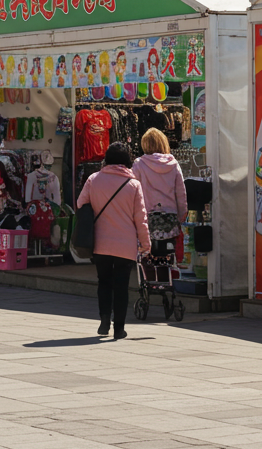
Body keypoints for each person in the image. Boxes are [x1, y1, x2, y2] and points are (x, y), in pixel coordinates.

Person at [76, 143, 150, 340]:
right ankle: (119, 328)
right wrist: (145, 243)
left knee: (104, 282)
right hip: (125, 245)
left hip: (100, 242)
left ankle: (103, 321)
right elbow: (140, 218)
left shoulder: (93, 179)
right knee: (121, 285)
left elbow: (80, 203)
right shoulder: (133, 185)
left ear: (106, 159)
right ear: (127, 160)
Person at [131, 129, 187, 259]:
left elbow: (133, 190)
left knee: (146, 255)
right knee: (167, 254)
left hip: (146, 218)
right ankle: (166, 275)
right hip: (170, 217)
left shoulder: (139, 164)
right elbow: (181, 192)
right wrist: (182, 214)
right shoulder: (174, 164)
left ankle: (148, 276)